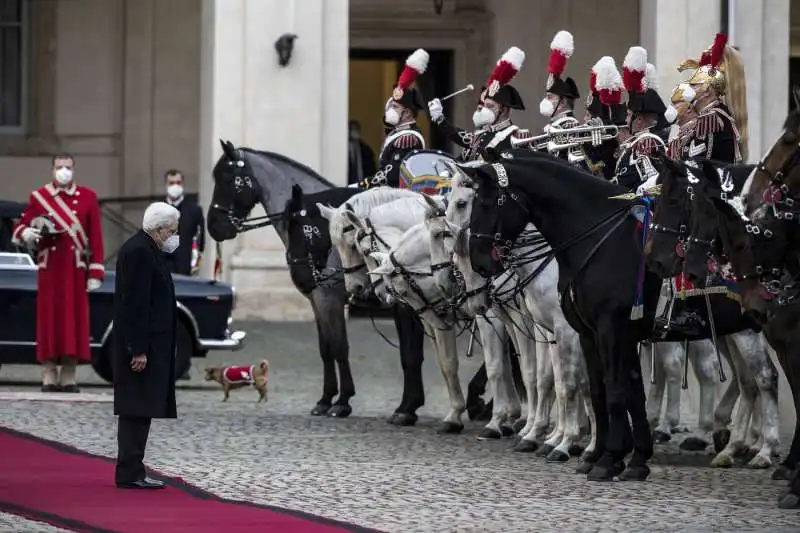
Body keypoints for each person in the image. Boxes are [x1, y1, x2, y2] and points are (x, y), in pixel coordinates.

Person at [11, 154, 105, 393]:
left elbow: (95, 236)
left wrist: (96, 271)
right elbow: (21, 224)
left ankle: (69, 373)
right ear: (52, 170)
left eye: (68, 167)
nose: (64, 171)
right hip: (50, 267)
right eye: (59, 167)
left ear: (75, 169)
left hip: (75, 269)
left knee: (73, 320)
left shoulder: (88, 197)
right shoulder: (39, 197)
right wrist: (27, 234)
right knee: (50, 320)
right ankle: (49, 371)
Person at [113, 202, 180, 490]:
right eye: (173, 231)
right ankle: (129, 472)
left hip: (149, 344)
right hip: (142, 347)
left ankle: (133, 469)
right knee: (136, 408)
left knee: (140, 407)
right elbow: (135, 304)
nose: (175, 236)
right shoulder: (140, 251)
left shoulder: (146, 248)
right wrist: (138, 348)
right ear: (161, 229)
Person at [428, 46, 529, 162]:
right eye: (485, 105)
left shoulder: (517, 136)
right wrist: (440, 118)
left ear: (504, 110)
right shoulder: (482, 135)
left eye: (490, 106)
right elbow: (459, 136)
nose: (483, 109)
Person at [359, 49, 429, 190]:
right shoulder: (398, 132)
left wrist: (366, 183)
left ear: (407, 113)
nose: (390, 109)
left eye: (395, 106)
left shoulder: (408, 138)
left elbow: (393, 172)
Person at [614, 46, 674, 192]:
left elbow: (653, 186)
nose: (626, 120)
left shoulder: (648, 143)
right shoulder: (639, 142)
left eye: (629, 115)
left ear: (639, 119)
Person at [582, 56, 629, 179]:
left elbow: (608, 172)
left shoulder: (616, 139)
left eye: (588, 115)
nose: (584, 120)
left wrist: (601, 146)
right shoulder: (586, 139)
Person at [538, 30, 580, 161]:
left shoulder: (570, 127)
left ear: (562, 103)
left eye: (550, 97)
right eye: (546, 96)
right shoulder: (555, 126)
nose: (545, 100)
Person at [163, 169, 205, 276]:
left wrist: (195, 264)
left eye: (178, 183)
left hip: (185, 268)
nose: (175, 186)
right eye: (171, 183)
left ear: (183, 184)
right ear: (166, 185)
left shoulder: (195, 210)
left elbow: (200, 240)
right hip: (161, 268)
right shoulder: (156, 209)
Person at [347, 120, 377, 186]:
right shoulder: (343, 149)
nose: (354, 131)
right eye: (352, 129)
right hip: (347, 183)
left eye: (356, 129)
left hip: (362, 184)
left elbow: (371, 169)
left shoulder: (366, 150)